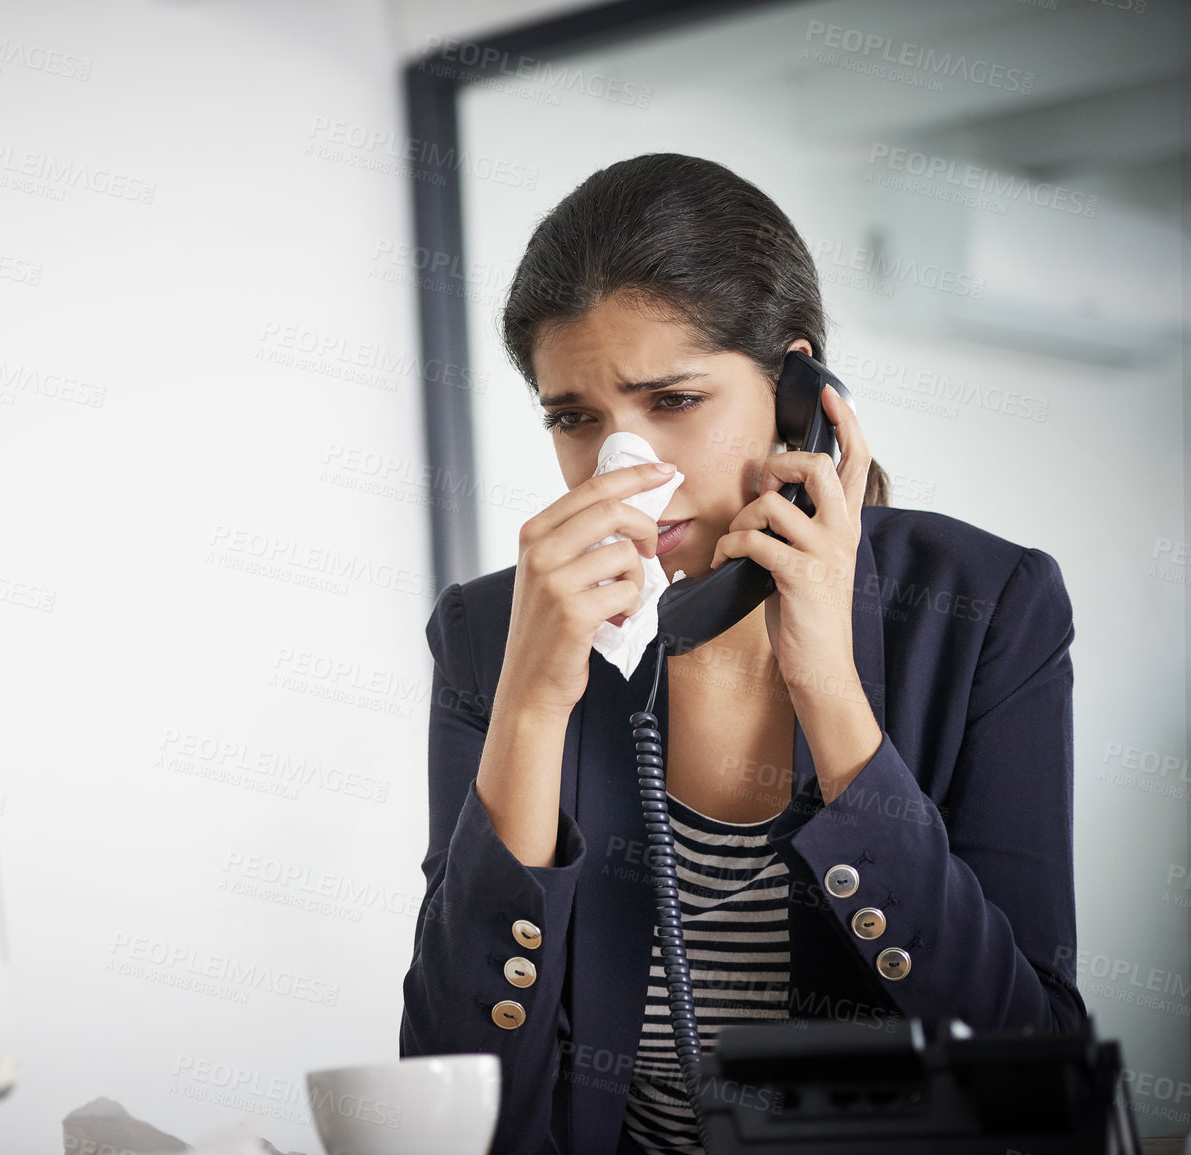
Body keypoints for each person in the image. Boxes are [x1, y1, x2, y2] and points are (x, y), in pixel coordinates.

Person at [398, 153, 1085, 1154]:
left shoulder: (982, 608)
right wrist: (533, 706)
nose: (621, 472)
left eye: (673, 402)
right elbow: (454, 1100)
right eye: (574, 418)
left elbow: (1036, 1070)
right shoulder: (489, 633)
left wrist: (828, 690)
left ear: (797, 394)